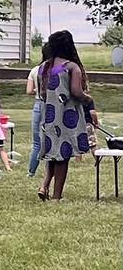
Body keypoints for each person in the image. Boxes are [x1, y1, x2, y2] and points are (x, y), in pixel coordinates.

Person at [37, 30, 93, 201]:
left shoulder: (44, 67)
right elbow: (76, 91)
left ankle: (45, 187)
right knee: (63, 155)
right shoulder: (71, 67)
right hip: (66, 117)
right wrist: (87, 98)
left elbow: (42, 93)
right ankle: (56, 196)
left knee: (53, 152)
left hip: (48, 116)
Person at [26, 43, 51, 177]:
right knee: (51, 141)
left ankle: (31, 172)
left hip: (38, 105)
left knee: (36, 143)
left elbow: (29, 91)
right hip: (51, 106)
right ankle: (50, 174)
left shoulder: (35, 70)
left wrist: (38, 89)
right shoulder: (55, 70)